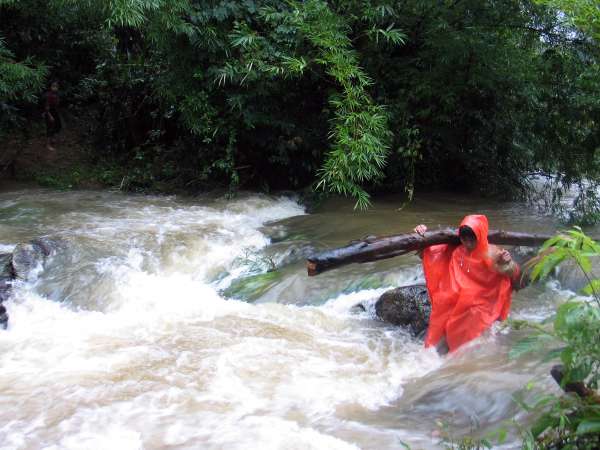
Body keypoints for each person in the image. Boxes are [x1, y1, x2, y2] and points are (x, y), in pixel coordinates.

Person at [414, 215, 520, 353]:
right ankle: (445, 350)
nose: (468, 243)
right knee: (443, 302)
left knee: (472, 310)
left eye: (472, 239)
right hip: (455, 295)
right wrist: (421, 234)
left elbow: (512, 272)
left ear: (480, 236)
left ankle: (463, 352)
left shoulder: (492, 253)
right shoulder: (457, 250)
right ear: (460, 238)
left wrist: (506, 262)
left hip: (483, 301)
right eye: (464, 239)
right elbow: (429, 253)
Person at [43, 81, 61, 151]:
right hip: (49, 112)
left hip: (54, 112)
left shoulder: (56, 94)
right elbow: (46, 107)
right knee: (49, 128)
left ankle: (52, 138)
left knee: (58, 126)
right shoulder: (48, 95)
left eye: (56, 86)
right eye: (53, 86)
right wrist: (50, 116)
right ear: (50, 87)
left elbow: (56, 105)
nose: (55, 88)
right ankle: (47, 145)